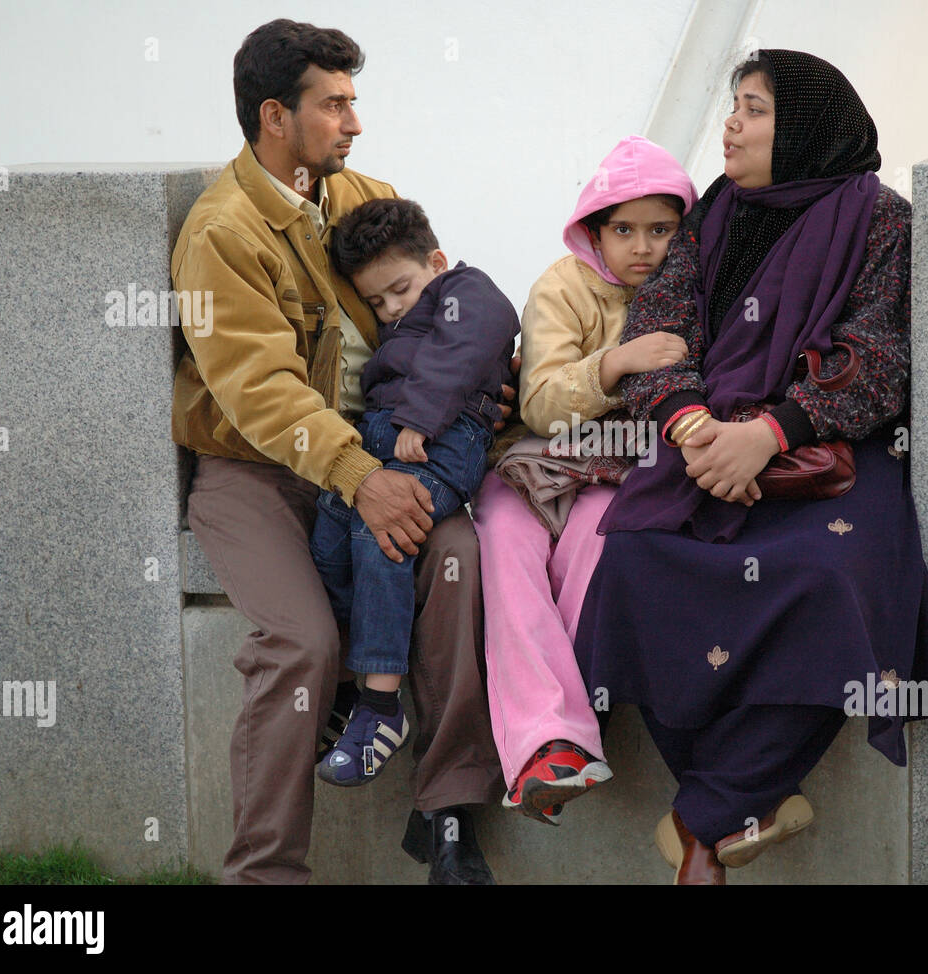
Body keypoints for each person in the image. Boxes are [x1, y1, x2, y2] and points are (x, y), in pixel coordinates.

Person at [573, 50, 928, 884]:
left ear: (805, 128)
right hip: (704, 447)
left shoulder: (882, 221)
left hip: (829, 456)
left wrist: (772, 433)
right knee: (634, 559)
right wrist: (694, 427)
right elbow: (659, 330)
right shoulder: (715, 213)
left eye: (753, 109)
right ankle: (745, 801)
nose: (731, 126)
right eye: (734, 106)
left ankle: (700, 822)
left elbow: (880, 357)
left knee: (829, 575)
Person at [172, 19, 505, 885]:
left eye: (353, 102)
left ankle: (448, 816)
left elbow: (442, 313)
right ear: (275, 116)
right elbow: (259, 393)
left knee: (461, 563)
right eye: (334, 105)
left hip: (386, 453)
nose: (354, 122)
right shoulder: (221, 233)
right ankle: (265, 873)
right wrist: (362, 479)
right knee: (303, 644)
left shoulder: (364, 197)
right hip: (258, 471)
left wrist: (477, 396)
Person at [472, 136, 696, 825]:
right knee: (505, 549)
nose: (643, 247)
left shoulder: (692, 291)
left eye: (661, 230)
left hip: (617, 470)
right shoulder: (561, 287)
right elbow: (541, 404)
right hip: (529, 464)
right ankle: (546, 743)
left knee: (598, 548)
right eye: (623, 230)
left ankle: (558, 740)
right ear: (593, 232)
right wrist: (616, 362)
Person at [310, 197, 518, 791]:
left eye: (400, 289)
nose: (392, 308)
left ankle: (381, 705)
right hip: (384, 438)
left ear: (436, 262)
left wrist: (420, 419)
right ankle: (353, 673)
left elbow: (467, 345)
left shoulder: (467, 289)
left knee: (384, 535)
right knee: (329, 529)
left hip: (444, 442)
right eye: (376, 302)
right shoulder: (401, 320)